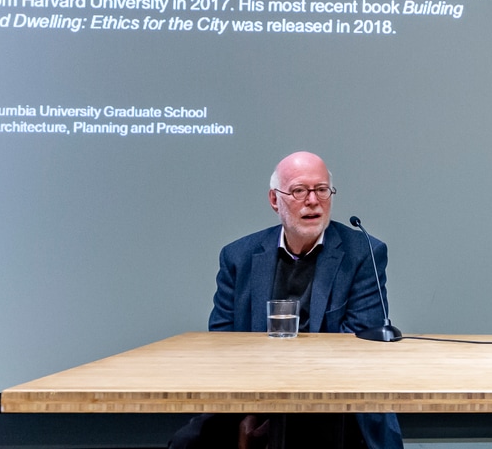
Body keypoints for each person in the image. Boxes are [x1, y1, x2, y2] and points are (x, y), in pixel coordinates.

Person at [170, 152, 403, 449]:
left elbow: (360, 342)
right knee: (186, 443)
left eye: (322, 190)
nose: (313, 201)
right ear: (274, 199)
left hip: (336, 399)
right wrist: (254, 407)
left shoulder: (363, 252)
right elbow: (222, 340)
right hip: (251, 391)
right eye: (299, 191)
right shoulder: (239, 256)